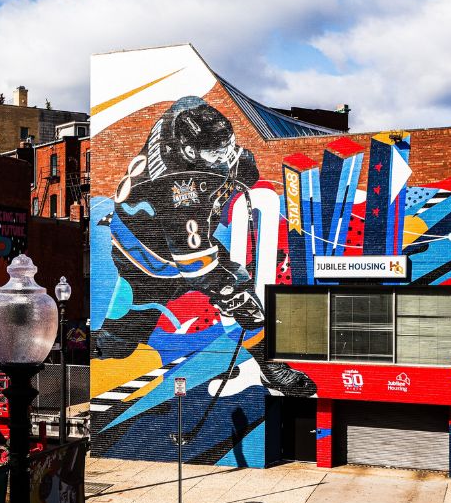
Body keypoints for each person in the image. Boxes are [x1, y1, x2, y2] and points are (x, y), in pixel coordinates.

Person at [95, 96, 315, 397]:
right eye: (216, 153)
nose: (227, 156)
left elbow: (190, 104)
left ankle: (269, 367)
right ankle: (92, 343)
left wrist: (230, 158)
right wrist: (227, 284)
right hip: (150, 258)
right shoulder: (180, 190)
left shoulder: (183, 118)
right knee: (119, 345)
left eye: (228, 147)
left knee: (238, 290)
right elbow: (196, 266)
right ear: (188, 152)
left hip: (152, 232)